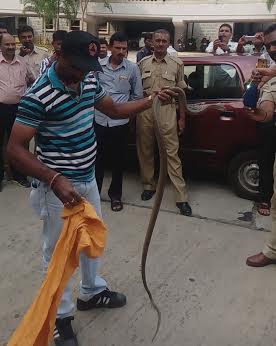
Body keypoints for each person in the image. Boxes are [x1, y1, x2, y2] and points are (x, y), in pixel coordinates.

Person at [7, 31, 174, 346]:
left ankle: (91, 291)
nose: (83, 73)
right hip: (58, 189)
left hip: (86, 179)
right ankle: (60, 316)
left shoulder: (88, 80)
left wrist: (150, 100)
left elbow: (112, 109)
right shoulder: (38, 95)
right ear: (59, 55)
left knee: (92, 239)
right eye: (77, 66)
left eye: (88, 65)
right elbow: (14, 149)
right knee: (57, 254)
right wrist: (54, 179)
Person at [136, 29, 192, 217]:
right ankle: (148, 185)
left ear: (169, 43)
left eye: (164, 41)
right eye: (157, 40)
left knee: (172, 154)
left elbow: (182, 94)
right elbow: (137, 93)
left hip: (168, 111)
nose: (160, 44)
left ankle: (181, 197)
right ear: (151, 42)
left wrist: (182, 117)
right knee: (146, 150)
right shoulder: (142, 63)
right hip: (145, 111)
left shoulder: (177, 64)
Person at [95, 32, 143, 211]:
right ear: (109, 48)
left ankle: (115, 196)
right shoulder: (97, 66)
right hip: (98, 120)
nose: (121, 51)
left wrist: (129, 117)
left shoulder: (132, 69)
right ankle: (95, 194)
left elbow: (137, 96)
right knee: (97, 160)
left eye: (124, 48)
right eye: (117, 48)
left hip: (120, 124)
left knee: (118, 161)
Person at [245, 24, 276, 267]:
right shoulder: (268, 75)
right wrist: (256, 110)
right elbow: (266, 112)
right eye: (269, 45)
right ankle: (273, 250)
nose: (273, 48)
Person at [0, 33, 34, 191]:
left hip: (20, 109)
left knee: (20, 144)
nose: (11, 47)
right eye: (7, 44)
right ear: (1, 45)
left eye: (13, 44)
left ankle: (20, 176)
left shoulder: (22, 62)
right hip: (1, 108)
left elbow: (32, 80)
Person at [249, 25, 276, 217]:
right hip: (268, 120)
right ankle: (264, 197)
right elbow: (257, 85)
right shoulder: (264, 61)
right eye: (268, 46)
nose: (272, 49)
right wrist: (253, 83)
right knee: (265, 160)